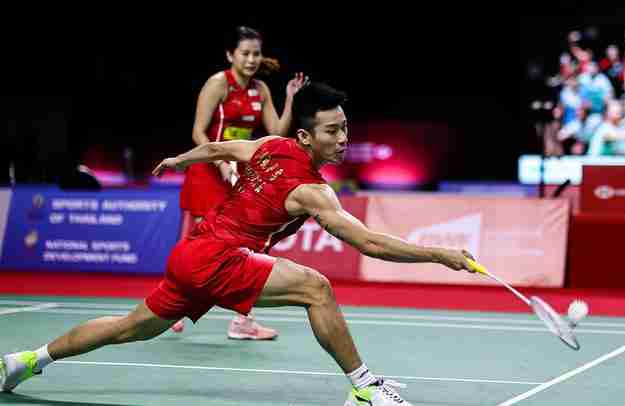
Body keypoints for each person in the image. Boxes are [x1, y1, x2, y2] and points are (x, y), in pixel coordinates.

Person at [0, 82, 476, 405]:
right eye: (333, 131)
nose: (343, 139)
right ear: (306, 136)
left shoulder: (270, 145)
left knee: (130, 328)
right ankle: (364, 387)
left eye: (346, 128)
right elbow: (369, 243)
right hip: (219, 257)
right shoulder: (313, 191)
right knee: (317, 288)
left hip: (194, 251)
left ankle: (27, 360)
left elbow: (219, 148)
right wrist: (440, 254)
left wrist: (181, 160)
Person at [175, 26, 307, 338]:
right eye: (245, 53)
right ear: (230, 55)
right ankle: (174, 304)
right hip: (209, 171)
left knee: (244, 245)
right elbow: (198, 132)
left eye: (255, 54)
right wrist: (220, 162)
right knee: (199, 245)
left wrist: (290, 98)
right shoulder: (218, 84)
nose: (251, 59)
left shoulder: (260, 89)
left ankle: (241, 321)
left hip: (239, 174)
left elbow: (277, 131)